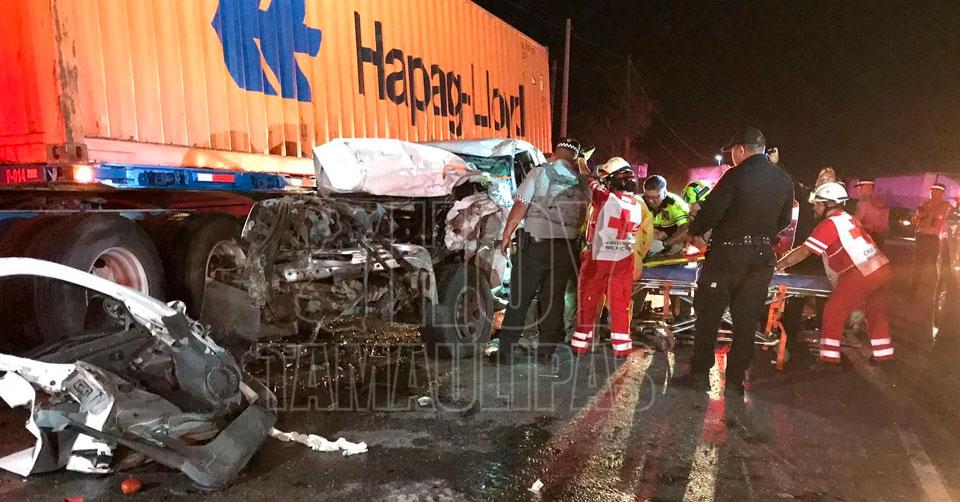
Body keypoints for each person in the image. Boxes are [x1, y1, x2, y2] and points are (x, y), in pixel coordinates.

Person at [673, 126, 794, 395]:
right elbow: (785, 219)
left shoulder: (735, 175)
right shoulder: (783, 179)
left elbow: (712, 211)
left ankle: (700, 374)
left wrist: (697, 229)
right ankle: (736, 381)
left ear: (740, 150)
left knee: (709, 315)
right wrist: (761, 233)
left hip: (727, 256)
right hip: (761, 258)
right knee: (747, 320)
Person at [777, 182, 894, 368]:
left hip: (860, 273)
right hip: (881, 268)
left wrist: (779, 265)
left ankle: (830, 360)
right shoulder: (848, 219)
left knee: (833, 312)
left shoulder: (830, 225)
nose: (814, 207)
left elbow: (805, 251)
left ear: (829, 204)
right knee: (875, 313)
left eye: (818, 203)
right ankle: (884, 357)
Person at [497, 138, 590, 363]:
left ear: (555, 152)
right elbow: (581, 217)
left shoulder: (540, 173)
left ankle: (505, 353)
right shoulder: (581, 182)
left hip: (536, 246)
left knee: (520, 298)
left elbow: (520, 205)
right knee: (553, 300)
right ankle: (546, 353)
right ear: (575, 158)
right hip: (565, 248)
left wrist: (507, 234)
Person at [572, 157, 645, 357]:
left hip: (598, 257)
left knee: (588, 301)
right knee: (620, 304)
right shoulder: (637, 204)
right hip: (624, 258)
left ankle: (580, 344)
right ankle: (621, 347)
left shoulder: (605, 197)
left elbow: (587, 179)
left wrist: (581, 161)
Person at [912, 183, 953, 291]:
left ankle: (933, 287)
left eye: (935, 191)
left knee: (933, 262)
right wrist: (920, 216)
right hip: (922, 235)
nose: (932, 193)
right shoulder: (925, 203)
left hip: (934, 238)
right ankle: (914, 286)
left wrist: (925, 214)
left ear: (941, 193)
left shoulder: (945, 205)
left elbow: (937, 216)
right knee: (919, 262)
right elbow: (916, 218)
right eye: (931, 191)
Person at [642, 175, 692, 254]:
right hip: (650, 235)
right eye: (647, 197)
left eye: (655, 197)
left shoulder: (676, 204)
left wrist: (664, 244)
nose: (650, 201)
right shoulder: (641, 202)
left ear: (665, 193)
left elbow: (686, 229)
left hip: (673, 236)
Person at [854, 179, 890, 250]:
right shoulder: (882, 201)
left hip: (867, 234)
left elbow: (856, 221)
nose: (858, 190)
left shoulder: (864, 202)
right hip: (881, 234)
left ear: (868, 187)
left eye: (860, 187)